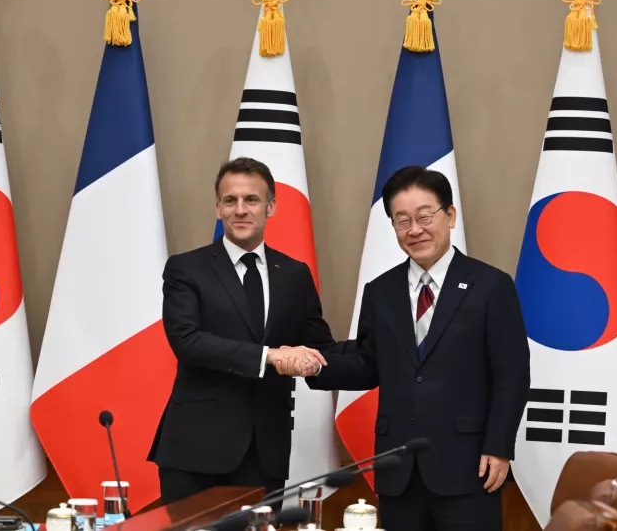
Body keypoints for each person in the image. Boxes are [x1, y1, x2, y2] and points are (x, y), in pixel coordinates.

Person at [280, 165, 530, 531]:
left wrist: (500, 445)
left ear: (450, 216)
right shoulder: (380, 291)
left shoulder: (491, 286)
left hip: (469, 465)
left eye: (424, 216)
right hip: (398, 467)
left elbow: (512, 374)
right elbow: (368, 363)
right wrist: (317, 366)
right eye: (402, 220)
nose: (415, 229)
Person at [148, 157, 333, 506]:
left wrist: (374, 356)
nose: (240, 210)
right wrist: (271, 356)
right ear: (218, 208)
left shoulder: (294, 274)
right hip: (195, 454)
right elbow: (187, 341)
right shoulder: (186, 268)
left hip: (265, 453)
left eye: (251, 200)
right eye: (230, 201)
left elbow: (320, 347)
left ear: (271, 206)